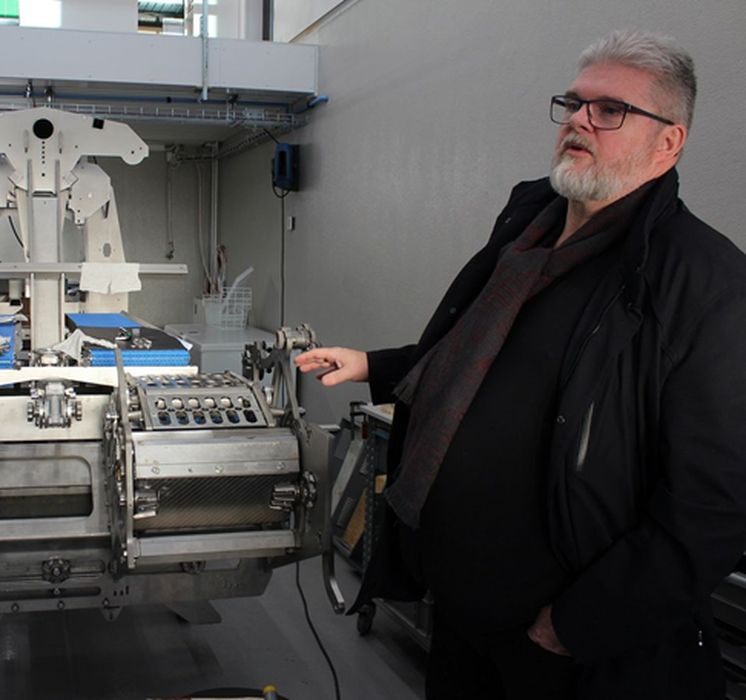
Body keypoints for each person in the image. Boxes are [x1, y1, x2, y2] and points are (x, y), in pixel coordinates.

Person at [296, 30, 746, 700]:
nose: (579, 121)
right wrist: (373, 365)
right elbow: (475, 358)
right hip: (461, 609)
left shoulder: (704, 284)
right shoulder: (529, 229)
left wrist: (574, 625)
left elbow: (712, 506)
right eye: (573, 103)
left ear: (668, 142)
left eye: (610, 110)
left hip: (571, 647)